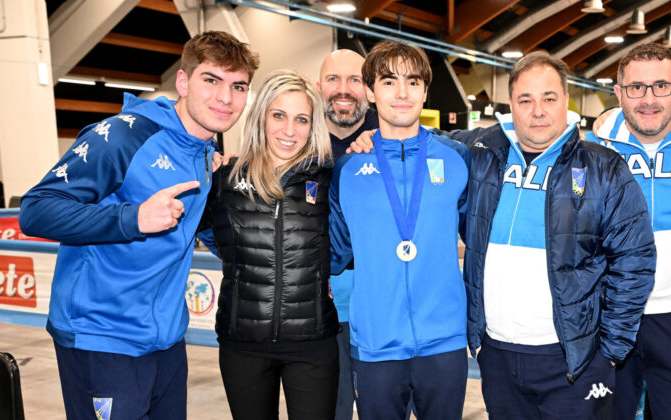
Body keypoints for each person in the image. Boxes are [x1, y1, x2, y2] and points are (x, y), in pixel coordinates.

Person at [18, 31, 259, 419]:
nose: (225, 98)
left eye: (238, 86)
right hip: (103, 337)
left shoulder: (206, 152)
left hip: (166, 340)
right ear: (183, 82)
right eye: (211, 80)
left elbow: (194, 227)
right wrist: (133, 218)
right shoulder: (122, 136)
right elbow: (36, 210)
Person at [459, 51, 655, 419]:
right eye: (525, 100)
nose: (538, 111)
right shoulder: (481, 157)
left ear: (566, 100)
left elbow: (635, 261)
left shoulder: (603, 168)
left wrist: (610, 351)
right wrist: (369, 135)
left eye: (549, 98)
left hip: (573, 361)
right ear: (511, 105)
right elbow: (418, 138)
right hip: (497, 356)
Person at [328, 40, 471, 420]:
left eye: (413, 81)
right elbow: (333, 254)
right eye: (389, 82)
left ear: (425, 91)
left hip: (444, 342)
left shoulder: (457, 159)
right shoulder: (348, 169)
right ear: (371, 92)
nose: (402, 93)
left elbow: (478, 236)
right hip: (375, 346)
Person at [585, 44, 671, 419]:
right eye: (636, 87)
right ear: (619, 93)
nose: (648, 99)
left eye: (661, 86)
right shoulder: (592, 147)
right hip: (605, 316)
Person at [197, 70, 337, 420]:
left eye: (301, 119)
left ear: (313, 126)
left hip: (312, 343)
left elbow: (343, 244)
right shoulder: (225, 179)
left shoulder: (328, 180)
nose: (289, 130)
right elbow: (207, 232)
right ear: (261, 117)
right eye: (279, 115)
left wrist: (320, 272)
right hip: (243, 343)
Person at [316, 48, 378, 420]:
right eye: (333, 79)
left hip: (382, 311)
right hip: (322, 313)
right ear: (318, 87)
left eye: (354, 79)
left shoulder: (391, 138)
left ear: (369, 89)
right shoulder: (297, 143)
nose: (344, 89)